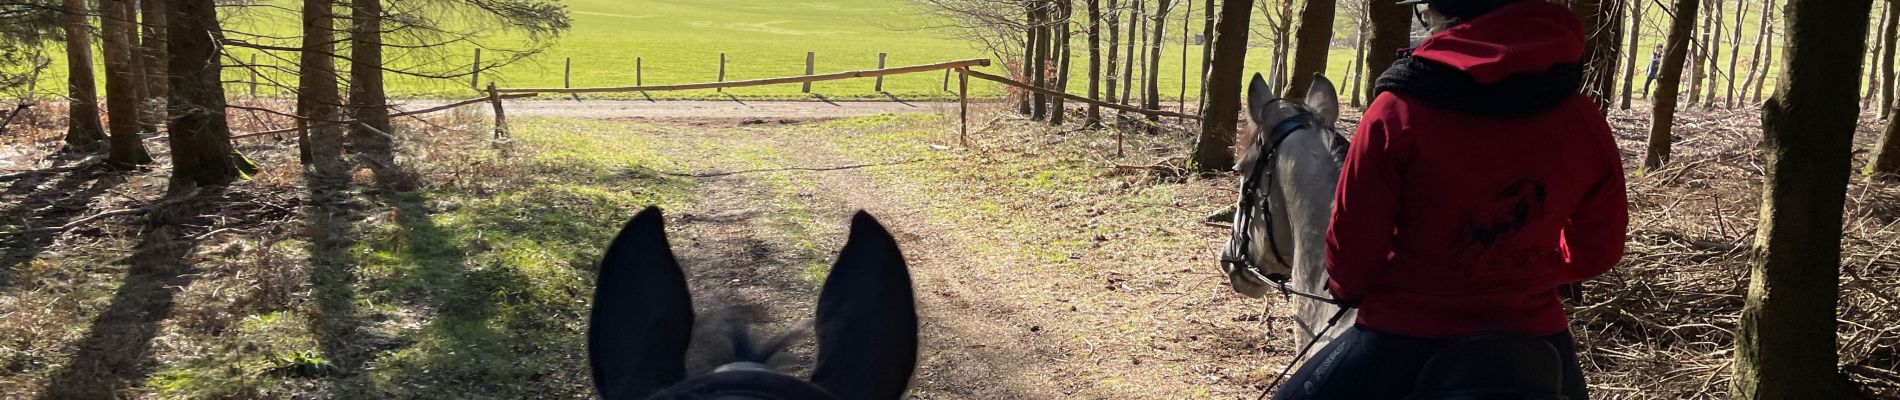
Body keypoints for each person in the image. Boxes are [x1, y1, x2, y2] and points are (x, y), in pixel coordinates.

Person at [1271, 0, 1628, 399]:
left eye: (1423, 14)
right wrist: (1520, 270)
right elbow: (1600, 248)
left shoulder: (1395, 112)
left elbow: (1352, 251)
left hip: (1404, 336)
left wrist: (1351, 287)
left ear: (1439, 14)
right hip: (1534, 336)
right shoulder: (1582, 117)